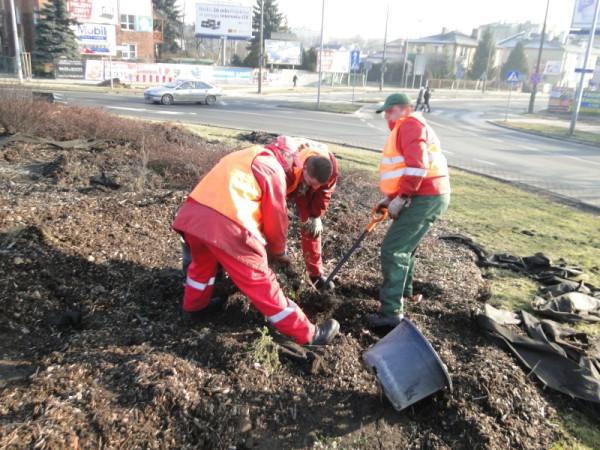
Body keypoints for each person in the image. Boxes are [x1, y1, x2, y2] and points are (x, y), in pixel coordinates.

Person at [172, 144, 340, 345]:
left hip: (195, 217)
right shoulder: (273, 170)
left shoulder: (249, 154)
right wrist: (278, 253)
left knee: (201, 269)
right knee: (261, 282)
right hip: (229, 225)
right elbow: (276, 219)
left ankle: (194, 309)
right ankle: (308, 334)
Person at [368, 93, 451, 328]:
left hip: (426, 195)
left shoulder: (410, 125)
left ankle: (391, 312)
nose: (387, 116)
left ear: (406, 109)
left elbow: (418, 166)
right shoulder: (409, 126)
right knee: (406, 247)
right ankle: (405, 292)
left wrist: (402, 197)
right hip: (428, 194)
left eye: (391, 110)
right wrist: (391, 198)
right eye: (385, 111)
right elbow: (408, 169)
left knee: (393, 249)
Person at [265, 136, 339, 292]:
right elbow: (273, 200)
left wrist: (316, 215)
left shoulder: (330, 168)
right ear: (304, 168)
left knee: (311, 226)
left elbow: (324, 191)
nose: (316, 187)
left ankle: (315, 274)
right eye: (313, 184)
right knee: (272, 219)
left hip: (303, 179)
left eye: (319, 184)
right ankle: (267, 258)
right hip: (285, 180)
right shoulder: (286, 162)